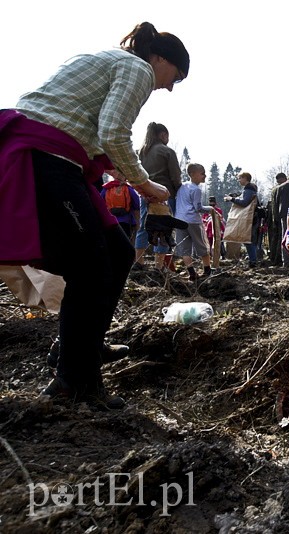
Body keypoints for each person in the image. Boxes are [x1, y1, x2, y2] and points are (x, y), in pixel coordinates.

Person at [0, 21, 189, 409]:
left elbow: (95, 133)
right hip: (45, 158)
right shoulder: (137, 68)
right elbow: (114, 132)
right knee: (90, 266)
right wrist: (143, 184)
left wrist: (123, 171)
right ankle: (75, 381)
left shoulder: (108, 62)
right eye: (176, 77)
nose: (169, 87)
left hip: (60, 159)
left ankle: (83, 346)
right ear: (160, 58)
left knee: (118, 253)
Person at [133, 122, 182, 270]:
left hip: (146, 194)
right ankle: (158, 265)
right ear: (163, 135)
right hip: (165, 194)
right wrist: (178, 190)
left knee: (143, 226)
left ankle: (139, 262)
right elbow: (176, 176)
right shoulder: (167, 151)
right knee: (163, 229)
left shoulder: (140, 152)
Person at [175, 163, 213, 281]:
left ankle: (192, 273)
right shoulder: (196, 189)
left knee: (184, 248)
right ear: (192, 174)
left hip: (179, 220)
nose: (204, 176)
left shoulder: (182, 186)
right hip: (193, 221)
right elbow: (198, 208)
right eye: (202, 173)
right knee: (201, 245)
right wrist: (210, 209)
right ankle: (207, 270)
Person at [224, 172, 260, 268]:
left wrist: (231, 199)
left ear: (245, 178)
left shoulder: (248, 189)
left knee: (248, 240)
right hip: (253, 218)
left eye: (240, 178)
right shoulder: (250, 189)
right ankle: (253, 259)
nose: (238, 180)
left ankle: (253, 261)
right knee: (248, 239)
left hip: (252, 219)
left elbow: (244, 202)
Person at [101, 176, 140, 243]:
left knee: (113, 241)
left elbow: (100, 201)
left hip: (111, 220)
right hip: (126, 221)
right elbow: (137, 204)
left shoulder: (107, 188)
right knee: (126, 241)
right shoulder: (128, 188)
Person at [267, 172, 288, 266]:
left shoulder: (275, 189)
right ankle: (277, 259)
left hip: (275, 216)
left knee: (275, 238)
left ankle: (274, 258)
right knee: (280, 238)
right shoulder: (282, 188)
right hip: (278, 217)